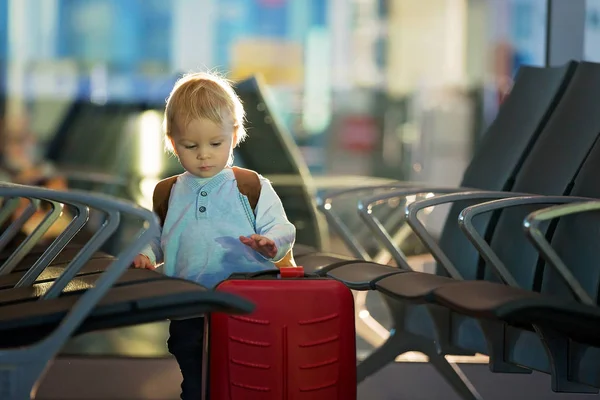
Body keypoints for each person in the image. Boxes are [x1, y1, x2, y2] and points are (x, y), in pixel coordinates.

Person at [132, 71, 296, 399]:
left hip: (244, 303)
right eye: (191, 146)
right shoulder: (168, 192)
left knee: (245, 373)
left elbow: (282, 228)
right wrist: (146, 254)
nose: (204, 154)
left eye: (215, 143)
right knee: (192, 374)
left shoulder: (249, 186)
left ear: (234, 136)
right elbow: (155, 236)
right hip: (187, 301)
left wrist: (271, 242)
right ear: (172, 142)